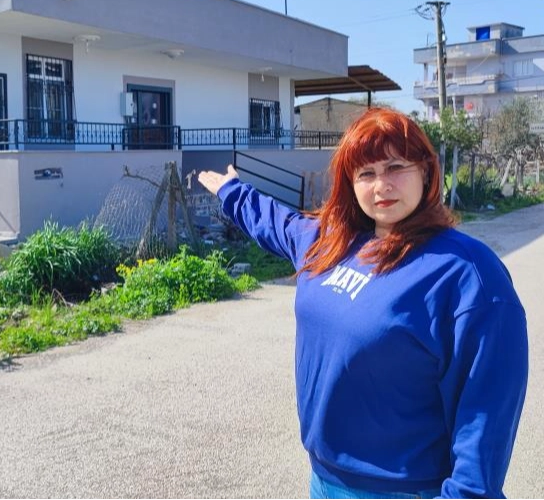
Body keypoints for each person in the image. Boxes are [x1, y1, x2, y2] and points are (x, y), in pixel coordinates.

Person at [197, 108, 528, 499]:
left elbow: (486, 412)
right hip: (325, 480)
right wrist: (233, 193)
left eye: (395, 167)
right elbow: (278, 224)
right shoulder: (331, 242)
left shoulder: (467, 273)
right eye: (366, 173)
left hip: (404, 490)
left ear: (425, 171)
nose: (381, 185)